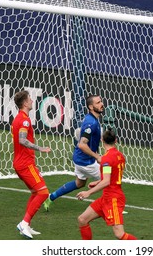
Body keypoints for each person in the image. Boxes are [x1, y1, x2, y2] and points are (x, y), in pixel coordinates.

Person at [44, 94, 103, 211]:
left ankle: (51, 197)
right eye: (98, 103)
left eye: (101, 101)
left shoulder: (92, 119)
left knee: (79, 183)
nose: (101, 104)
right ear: (91, 107)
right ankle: (113, 206)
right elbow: (82, 144)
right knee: (110, 179)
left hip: (79, 159)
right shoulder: (91, 123)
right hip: (87, 162)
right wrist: (97, 156)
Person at [76, 128, 137, 240]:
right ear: (116, 141)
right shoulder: (120, 156)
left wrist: (88, 193)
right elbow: (113, 176)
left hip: (113, 199)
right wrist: (98, 182)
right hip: (106, 198)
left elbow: (107, 181)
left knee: (119, 234)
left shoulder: (106, 159)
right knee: (82, 219)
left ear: (101, 140)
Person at [11, 90, 52, 239]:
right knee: (43, 192)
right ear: (25, 103)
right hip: (25, 164)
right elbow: (22, 140)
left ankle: (26, 224)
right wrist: (40, 148)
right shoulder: (24, 120)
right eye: (30, 99)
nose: (32, 101)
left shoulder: (18, 118)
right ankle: (24, 223)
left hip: (21, 163)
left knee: (36, 193)